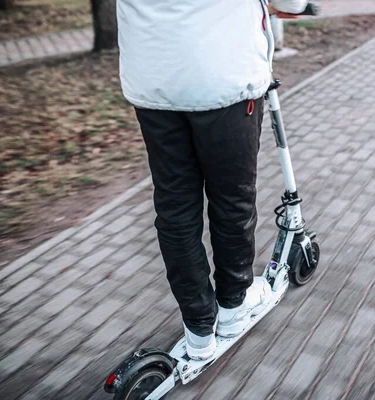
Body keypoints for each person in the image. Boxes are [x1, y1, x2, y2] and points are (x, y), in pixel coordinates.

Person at [116, 0, 306, 360]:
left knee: (175, 207)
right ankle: (233, 307)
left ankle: (198, 328)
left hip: (153, 82)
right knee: (231, 199)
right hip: (222, 77)